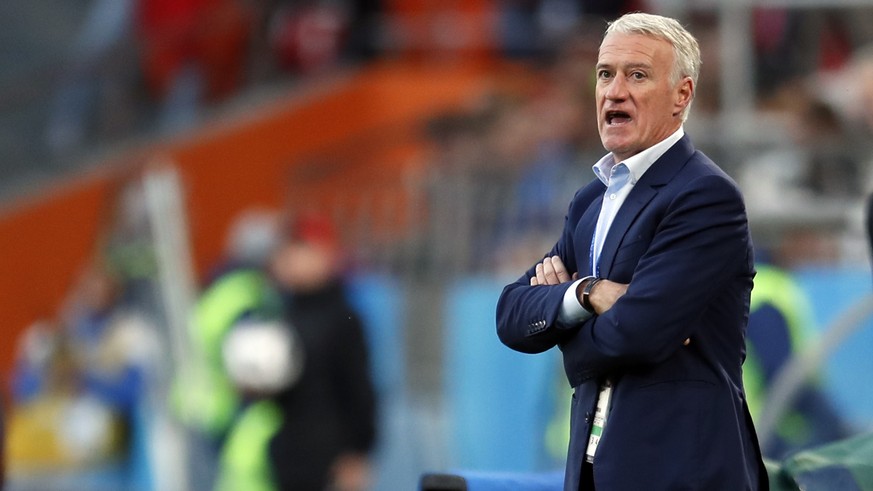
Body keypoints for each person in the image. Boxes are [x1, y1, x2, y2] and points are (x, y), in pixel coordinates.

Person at [495, 12, 768, 491]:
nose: (613, 91)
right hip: (595, 474)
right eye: (605, 74)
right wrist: (587, 294)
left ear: (682, 95)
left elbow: (639, 333)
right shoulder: (590, 200)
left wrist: (568, 343)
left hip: (683, 474)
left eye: (636, 75)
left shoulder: (704, 195)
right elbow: (512, 315)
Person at [214, 211, 378, 491]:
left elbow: (359, 388)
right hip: (286, 456)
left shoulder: (344, 317)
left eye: (302, 250)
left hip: (328, 460)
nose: (291, 260)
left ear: (326, 255)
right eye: (289, 251)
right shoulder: (282, 311)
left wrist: (357, 453)